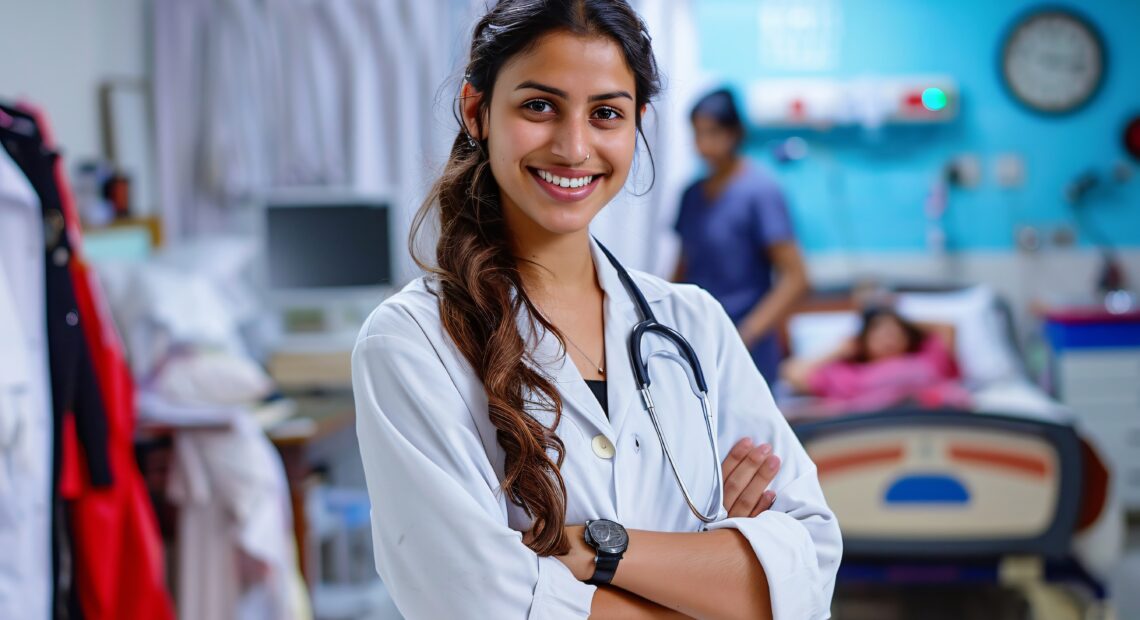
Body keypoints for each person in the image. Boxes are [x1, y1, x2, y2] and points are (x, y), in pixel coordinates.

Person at [352, 1, 840, 618]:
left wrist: (596, 552)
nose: (574, 146)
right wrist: (709, 573)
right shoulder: (411, 342)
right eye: (539, 106)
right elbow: (478, 601)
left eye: (606, 113)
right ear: (477, 111)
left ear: (635, 127)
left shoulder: (693, 326)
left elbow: (809, 568)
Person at [673, 88, 809, 386]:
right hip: (698, 337)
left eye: (711, 133)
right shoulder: (692, 195)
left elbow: (796, 276)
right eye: (696, 134)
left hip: (748, 342)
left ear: (734, 133)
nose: (702, 145)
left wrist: (748, 331)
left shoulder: (760, 191)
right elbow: (682, 269)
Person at [781, 306, 971, 413]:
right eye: (880, 334)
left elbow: (947, 328)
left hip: (932, 417)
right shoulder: (848, 374)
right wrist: (838, 350)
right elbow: (792, 373)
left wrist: (896, 314)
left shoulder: (927, 359)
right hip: (873, 426)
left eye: (896, 333)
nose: (889, 339)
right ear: (863, 341)